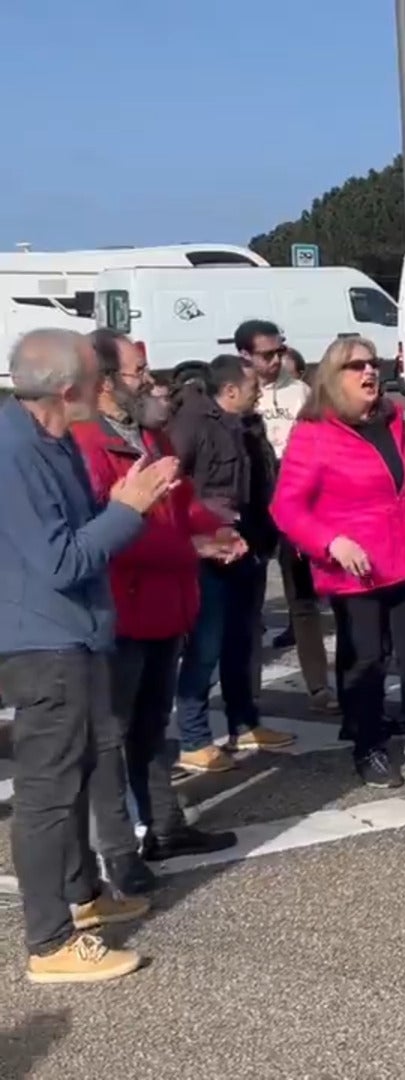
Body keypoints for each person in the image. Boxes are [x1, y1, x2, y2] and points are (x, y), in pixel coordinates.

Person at [0, 327, 178, 983]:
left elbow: (77, 531)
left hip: (75, 634)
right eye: (99, 374)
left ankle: (83, 897)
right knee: (47, 792)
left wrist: (125, 498)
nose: (108, 384)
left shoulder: (51, 441)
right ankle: (50, 944)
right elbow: (60, 559)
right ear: (70, 388)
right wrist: (129, 509)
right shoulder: (14, 451)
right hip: (42, 641)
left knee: (73, 776)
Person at [70, 330, 239, 879]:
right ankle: (117, 851)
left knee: (149, 728)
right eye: (137, 372)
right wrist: (189, 546)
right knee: (112, 735)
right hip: (122, 611)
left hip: (163, 604)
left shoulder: (147, 438)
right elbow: (104, 531)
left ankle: (165, 827)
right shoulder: (88, 446)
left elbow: (178, 504)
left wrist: (212, 528)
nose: (150, 380)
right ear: (102, 382)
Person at [272, 336, 405, 787]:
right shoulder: (314, 432)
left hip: (403, 559)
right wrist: (331, 542)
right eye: (356, 365)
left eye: (373, 363)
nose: (369, 372)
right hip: (354, 570)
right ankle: (369, 745)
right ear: (333, 377)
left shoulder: (391, 418)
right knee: (366, 662)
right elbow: (286, 508)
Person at [167, 354, 295, 773]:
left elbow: (263, 482)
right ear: (231, 390)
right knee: (205, 647)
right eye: (253, 386)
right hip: (211, 552)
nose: (260, 392)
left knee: (242, 643)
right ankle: (194, 738)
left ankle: (245, 722)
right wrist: (203, 533)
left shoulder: (248, 425)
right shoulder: (194, 424)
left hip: (249, 547)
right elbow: (173, 484)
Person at [240, 321, 335, 710]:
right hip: (253, 501)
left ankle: (319, 688)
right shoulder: (238, 391)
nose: (276, 360)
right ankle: (247, 696)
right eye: (267, 354)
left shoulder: (300, 392)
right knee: (249, 602)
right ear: (245, 355)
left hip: (296, 496)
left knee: (303, 598)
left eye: (280, 352)